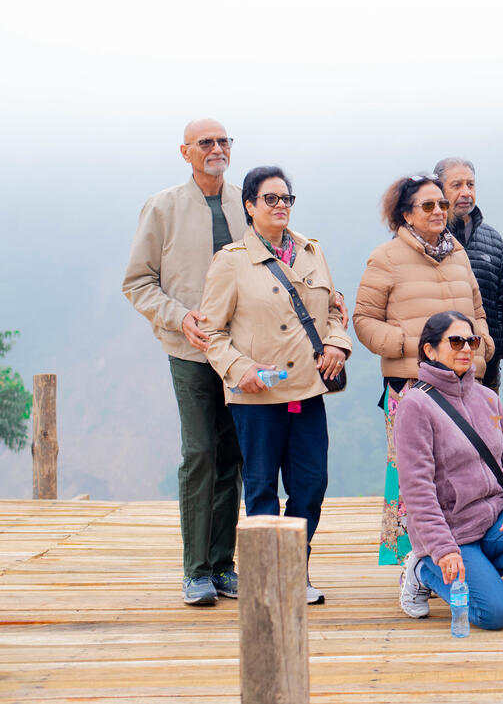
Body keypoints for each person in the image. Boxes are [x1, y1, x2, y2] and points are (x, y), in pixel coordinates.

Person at [200, 166, 353, 605]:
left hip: (307, 390)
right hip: (257, 395)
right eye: (270, 198)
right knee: (262, 487)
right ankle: (271, 579)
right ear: (249, 206)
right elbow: (211, 332)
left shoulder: (310, 251)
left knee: (311, 485)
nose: (280, 205)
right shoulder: (231, 261)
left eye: (286, 198)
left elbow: (334, 310)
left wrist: (337, 344)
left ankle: (294, 570)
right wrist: (239, 369)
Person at [122, 118, 246, 606]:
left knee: (232, 456)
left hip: (241, 354)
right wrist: (179, 317)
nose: (216, 149)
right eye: (205, 142)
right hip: (190, 351)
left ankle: (222, 566)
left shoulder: (247, 201)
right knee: (200, 454)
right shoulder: (163, 207)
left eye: (223, 141)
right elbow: (138, 282)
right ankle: (195, 570)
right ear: (185, 151)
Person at [353, 175, 494, 566]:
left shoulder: (458, 254)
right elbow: (363, 320)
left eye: (442, 205)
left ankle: (455, 557)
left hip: (463, 385)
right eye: (428, 205)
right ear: (406, 214)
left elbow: (478, 312)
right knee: (412, 476)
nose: (438, 212)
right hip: (411, 386)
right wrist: (409, 346)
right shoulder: (386, 257)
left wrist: (482, 347)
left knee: (460, 471)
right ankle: (412, 567)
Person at [394, 311, 503, 630]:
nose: (466, 348)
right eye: (455, 341)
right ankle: (423, 570)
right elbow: (417, 491)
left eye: (472, 341)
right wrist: (442, 549)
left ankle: (476, 571)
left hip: (493, 519)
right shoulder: (416, 405)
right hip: (452, 531)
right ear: (429, 350)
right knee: (496, 615)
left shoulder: (487, 397)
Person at [435, 157, 503, 393]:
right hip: (436, 363)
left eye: (470, 184)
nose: (466, 192)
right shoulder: (422, 237)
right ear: (439, 190)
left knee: (486, 418)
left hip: (485, 363)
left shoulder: (492, 239)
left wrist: (497, 346)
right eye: (457, 185)